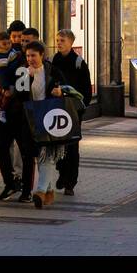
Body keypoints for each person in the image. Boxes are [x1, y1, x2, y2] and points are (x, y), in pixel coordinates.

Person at [20, 41, 65, 208]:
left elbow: (66, 88)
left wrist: (60, 92)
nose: (30, 59)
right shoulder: (22, 73)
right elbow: (19, 96)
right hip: (30, 120)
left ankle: (39, 191)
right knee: (38, 155)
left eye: (33, 55)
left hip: (49, 118)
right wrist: (27, 78)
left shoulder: (52, 71)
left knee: (45, 154)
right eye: (28, 56)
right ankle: (49, 190)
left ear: (42, 55)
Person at [51, 29, 91, 194]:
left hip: (73, 110)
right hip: (57, 108)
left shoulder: (78, 62)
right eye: (58, 40)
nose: (59, 43)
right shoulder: (55, 59)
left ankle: (70, 182)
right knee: (57, 143)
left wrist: (80, 107)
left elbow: (86, 90)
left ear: (71, 43)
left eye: (62, 40)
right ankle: (62, 172)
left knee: (72, 146)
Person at [0, 22, 29, 200]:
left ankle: (26, 189)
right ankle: (10, 183)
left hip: (22, 110)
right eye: (14, 37)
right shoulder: (1, 56)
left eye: (20, 38)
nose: (17, 41)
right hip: (5, 107)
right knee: (1, 147)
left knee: (25, 150)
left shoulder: (25, 57)